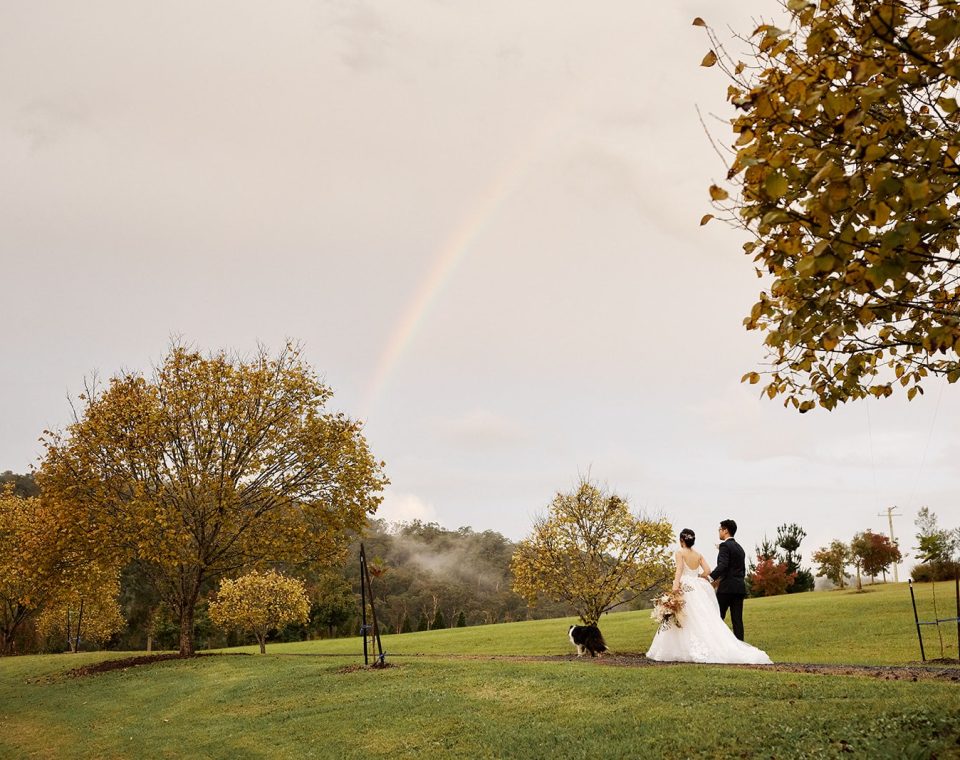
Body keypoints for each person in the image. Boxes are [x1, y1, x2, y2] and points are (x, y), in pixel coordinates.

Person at [646, 527, 771, 664]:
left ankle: (679, 648)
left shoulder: (680, 553)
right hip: (696, 587)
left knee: (684, 616)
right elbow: (708, 571)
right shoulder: (698, 555)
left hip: (684, 586)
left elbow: (679, 570)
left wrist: (675, 586)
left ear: (682, 540)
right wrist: (697, 576)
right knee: (699, 616)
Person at [709, 519, 747, 641]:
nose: (719, 532)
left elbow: (723, 565)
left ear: (725, 531)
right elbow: (742, 569)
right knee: (737, 620)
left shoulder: (724, 546)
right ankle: (741, 646)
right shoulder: (740, 548)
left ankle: (716, 644)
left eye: (720, 529)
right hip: (739, 588)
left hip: (726, 588)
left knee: (717, 617)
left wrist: (710, 577)